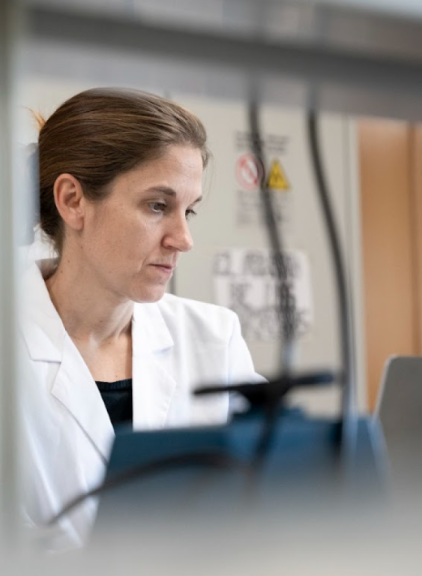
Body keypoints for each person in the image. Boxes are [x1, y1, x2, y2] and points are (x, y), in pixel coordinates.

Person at [19, 88, 263, 551]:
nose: (183, 238)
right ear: (73, 201)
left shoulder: (214, 337)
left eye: (187, 210)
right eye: (157, 206)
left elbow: (267, 501)